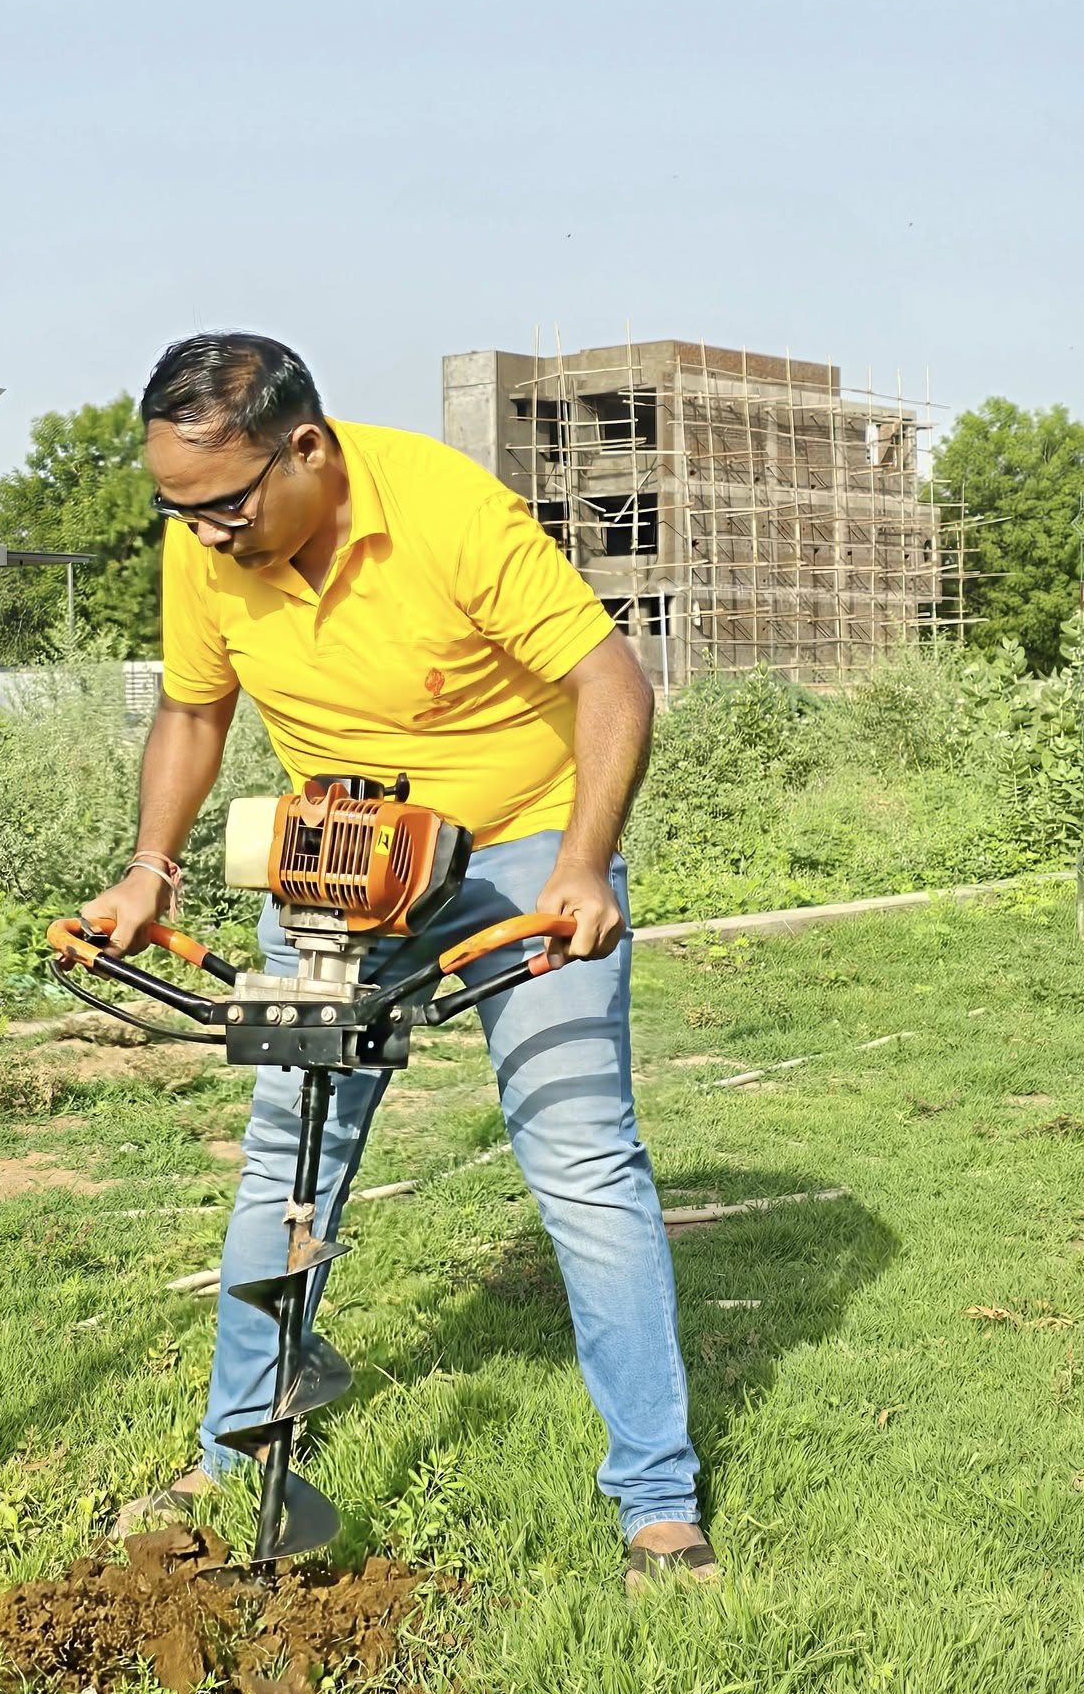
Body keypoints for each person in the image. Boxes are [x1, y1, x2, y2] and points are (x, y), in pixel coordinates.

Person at [84, 332, 716, 1592]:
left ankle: (656, 1500)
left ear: (306, 448)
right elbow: (195, 708)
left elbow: (610, 682)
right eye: (177, 508)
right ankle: (233, 1450)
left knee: (582, 1154)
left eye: (224, 505)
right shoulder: (206, 538)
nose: (201, 533)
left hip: (524, 846)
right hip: (343, 851)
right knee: (289, 1152)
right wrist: (150, 868)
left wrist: (584, 863)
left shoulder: (442, 508)